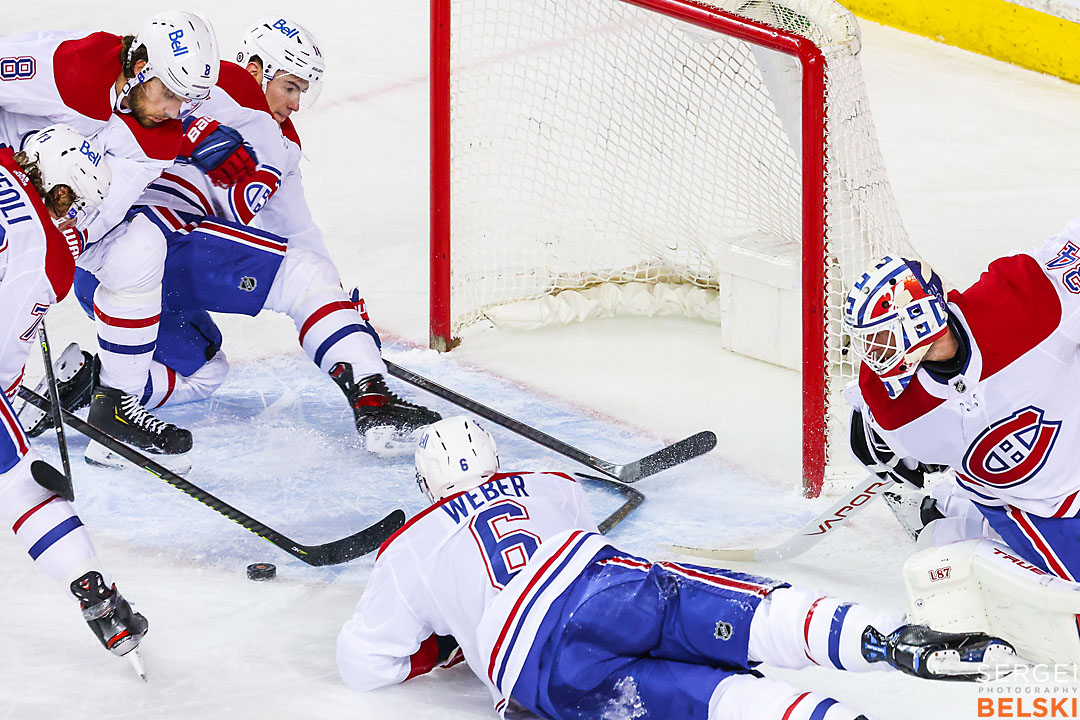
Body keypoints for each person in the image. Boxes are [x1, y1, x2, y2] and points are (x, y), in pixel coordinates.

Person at [336, 416, 1016, 720]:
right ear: (498, 464)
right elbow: (561, 526)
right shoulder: (547, 482)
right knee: (749, 617)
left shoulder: (412, 547)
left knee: (707, 703)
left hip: (540, 670)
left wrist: (452, 642)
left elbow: (365, 665)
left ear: (427, 487)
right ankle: (888, 640)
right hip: (606, 583)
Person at [57, 16, 438, 468]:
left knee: (203, 374)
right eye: (290, 86)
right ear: (256, 68)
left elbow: (300, 237)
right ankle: (373, 400)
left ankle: (88, 384)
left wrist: (342, 318)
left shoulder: (283, 151)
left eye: (303, 91)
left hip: (132, 280)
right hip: (140, 235)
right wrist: (192, 130)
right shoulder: (221, 83)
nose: (296, 103)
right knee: (300, 277)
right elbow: (131, 101)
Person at [0, 13, 257, 465]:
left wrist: (67, 237)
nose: (172, 112)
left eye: (186, 102)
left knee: (139, 247)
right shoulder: (71, 69)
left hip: (49, 214)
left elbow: (99, 210)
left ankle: (115, 407)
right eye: (169, 94)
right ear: (141, 67)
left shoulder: (158, 136)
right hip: (7, 184)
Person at [843, 242, 1080, 581]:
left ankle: (954, 507)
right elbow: (889, 456)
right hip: (1026, 507)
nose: (874, 354)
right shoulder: (891, 407)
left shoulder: (1020, 299)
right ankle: (954, 533)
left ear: (919, 317)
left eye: (881, 338)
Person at [0, 125, 147, 667]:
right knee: (21, 484)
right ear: (60, 190)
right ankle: (100, 603)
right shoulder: (52, 261)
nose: (71, 214)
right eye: (71, 203)